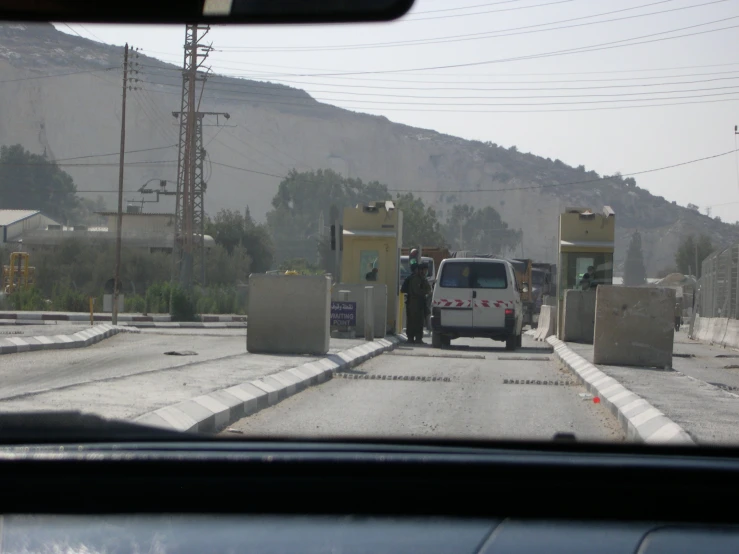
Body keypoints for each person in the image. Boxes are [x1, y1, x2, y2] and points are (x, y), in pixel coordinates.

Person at [407, 262, 431, 344]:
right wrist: (425, 292)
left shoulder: (422, 278)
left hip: (420, 303)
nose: (425, 271)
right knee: (413, 321)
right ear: (421, 270)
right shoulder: (416, 279)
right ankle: (411, 338)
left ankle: (418, 338)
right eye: (425, 270)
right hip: (414, 304)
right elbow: (417, 291)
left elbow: (428, 288)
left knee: (420, 322)